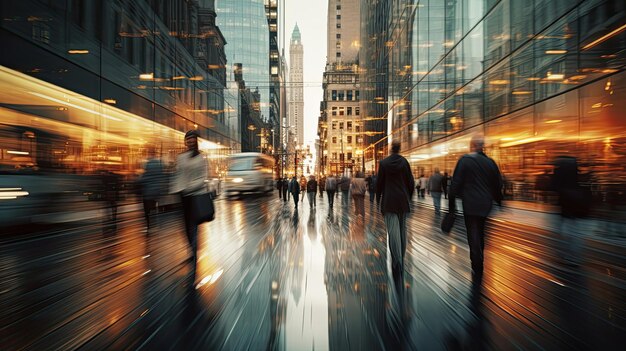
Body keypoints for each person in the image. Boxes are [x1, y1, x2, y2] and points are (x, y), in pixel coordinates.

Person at [448, 134, 502, 283]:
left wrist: (452, 205)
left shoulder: (464, 161)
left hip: (470, 204)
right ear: (482, 146)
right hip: (486, 204)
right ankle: (480, 258)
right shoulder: (491, 162)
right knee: (482, 231)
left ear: (472, 145)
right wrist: (499, 201)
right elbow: (497, 184)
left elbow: (455, 184)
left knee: (472, 232)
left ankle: (476, 263)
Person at [172, 130, 209, 290]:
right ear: (185, 142)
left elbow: (202, 177)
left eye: (193, 140)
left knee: (193, 225)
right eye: (188, 140)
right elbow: (178, 175)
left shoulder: (201, 158)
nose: (190, 142)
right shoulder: (180, 157)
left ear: (196, 142)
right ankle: (191, 248)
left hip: (196, 194)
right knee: (184, 226)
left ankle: (194, 251)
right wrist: (175, 190)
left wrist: (190, 187)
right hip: (183, 195)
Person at [376, 142, 415, 290]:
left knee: (393, 232)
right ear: (400, 149)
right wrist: (408, 196)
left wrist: (378, 199)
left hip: (389, 201)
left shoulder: (384, 163)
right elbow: (410, 182)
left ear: (390, 149)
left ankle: (396, 261)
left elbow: (379, 184)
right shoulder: (404, 162)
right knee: (402, 230)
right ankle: (401, 257)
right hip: (403, 200)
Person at [138, 151, 165, 230]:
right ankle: (155, 223)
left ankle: (149, 224)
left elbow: (142, 179)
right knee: (154, 207)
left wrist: (138, 179)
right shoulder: (159, 164)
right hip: (156, 191)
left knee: (147, 209)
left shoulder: (148, 164)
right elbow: (162, 177)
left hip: (147, 192)